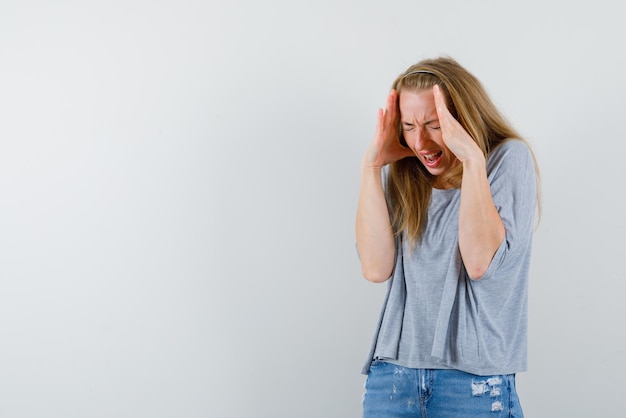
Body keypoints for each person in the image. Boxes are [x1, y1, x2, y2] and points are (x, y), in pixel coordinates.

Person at [355, 56, 539, 417]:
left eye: (434, 125)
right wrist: (372, 167)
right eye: (408, 126)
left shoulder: (506, 159)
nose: (420, 140)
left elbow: (479, 262)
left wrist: (471, 158)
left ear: (463, 120)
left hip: (473, 382)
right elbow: (375, 268)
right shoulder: (407, 175)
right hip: (393, 377)